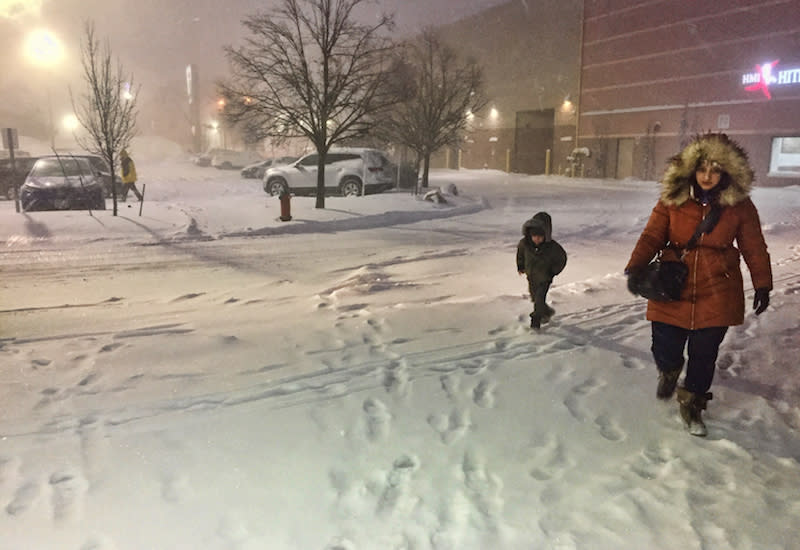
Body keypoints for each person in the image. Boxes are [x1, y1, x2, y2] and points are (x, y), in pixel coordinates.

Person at [625, 132, 772, 437]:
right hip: (672, 282)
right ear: (692, 169)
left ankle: (692, 403)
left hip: (718, 286)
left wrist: (763, 283)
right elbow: (652, 235)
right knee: (663, 343)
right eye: (703, 169)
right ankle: (668, 369)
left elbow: (754, 245)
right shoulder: (673, 198)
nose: (707, 176)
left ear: (725, 173)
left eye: (715, 170)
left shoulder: (740, 206)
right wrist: (636, 267)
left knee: (705, 354)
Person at [516, 211, 568, 330]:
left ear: (546, 234)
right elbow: (520, 255)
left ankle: (535, 323)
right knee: (535, 298)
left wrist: (553, 271)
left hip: (545, 277)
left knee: (539, 300)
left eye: (540, 237)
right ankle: (547, 312)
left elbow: (562, 259)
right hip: (531, 276)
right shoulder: (524, 244)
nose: (537, 239)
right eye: (534, 236)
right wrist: (521, 266)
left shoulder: (552, 247)